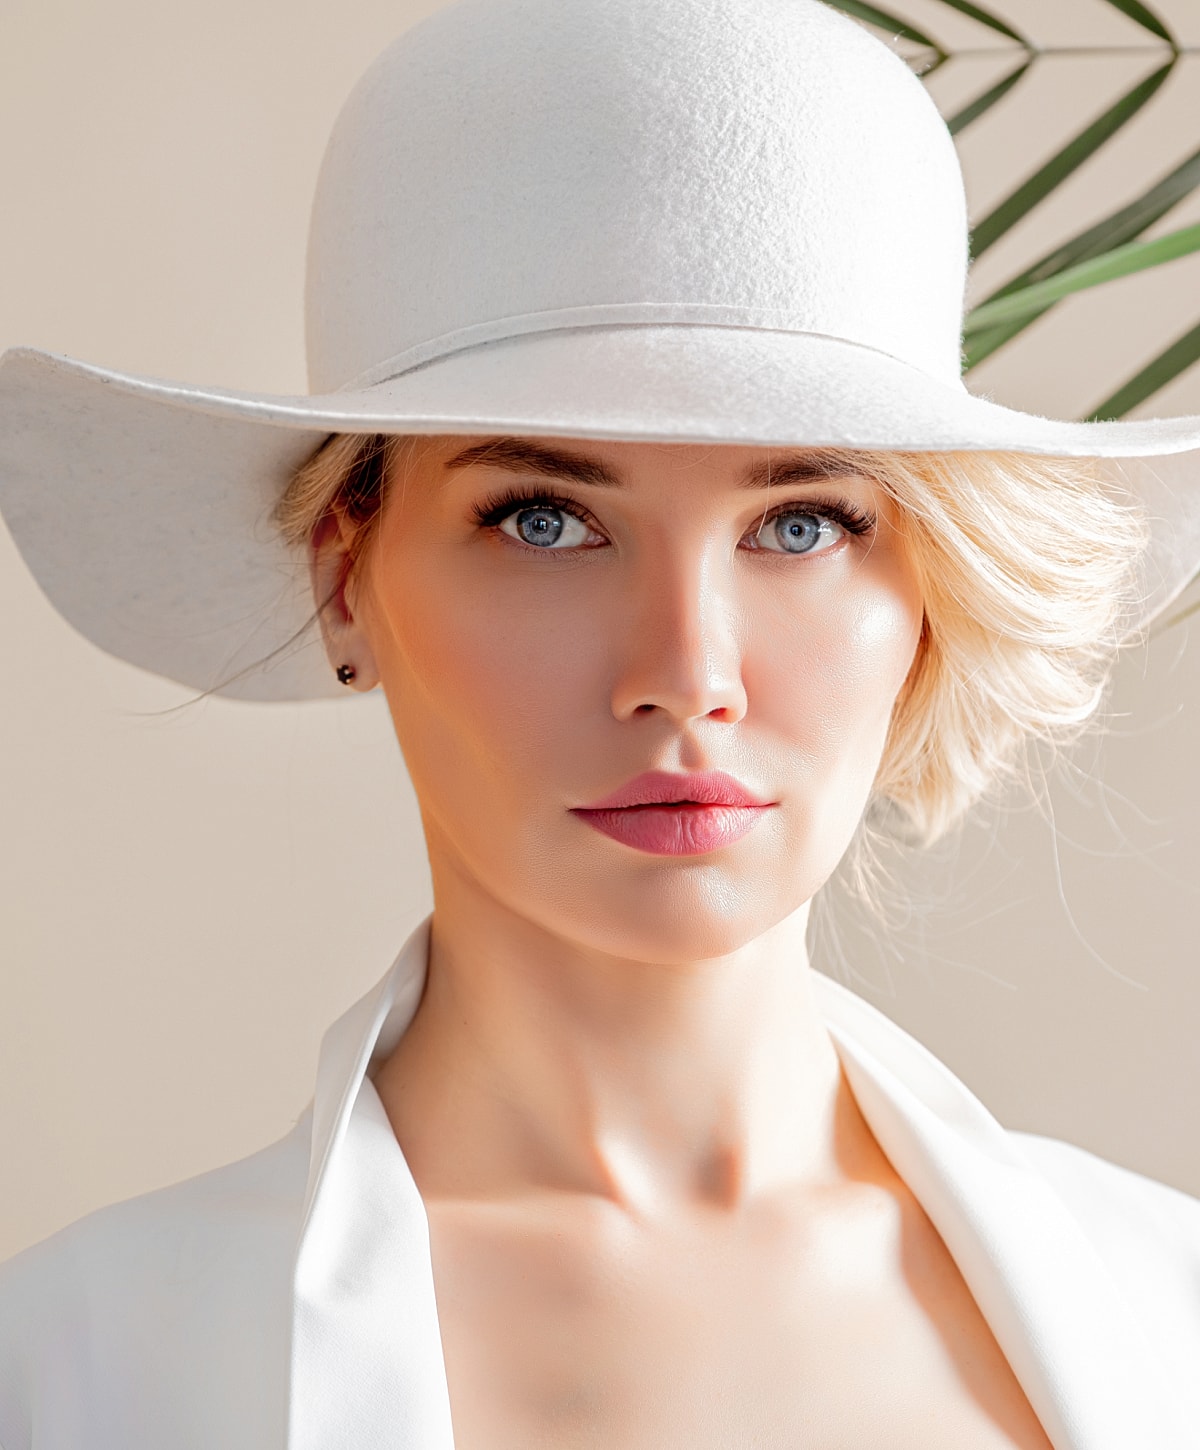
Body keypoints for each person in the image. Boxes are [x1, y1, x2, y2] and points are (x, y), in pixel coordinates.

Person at [1, 0, 1198, 1446]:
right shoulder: (76, 1373)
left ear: (928, 595)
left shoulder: (1168, 1315)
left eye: (803, 521)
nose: (684, 670)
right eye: (547, 518)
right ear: (344, 578)